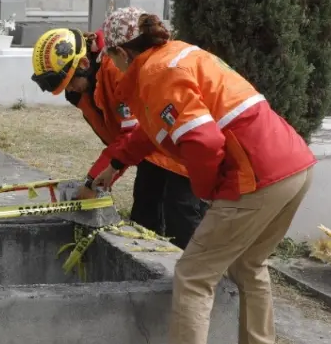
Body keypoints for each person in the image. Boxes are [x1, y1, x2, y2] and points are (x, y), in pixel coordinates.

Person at [87, 9, 315, 344]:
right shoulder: (177, 57)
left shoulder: (155, 74)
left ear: (119, 51)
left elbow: (203, 139)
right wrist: (111, 166)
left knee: (193, 275)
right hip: (294, 165)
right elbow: (148, 133)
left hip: (257, 176)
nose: (110, 65)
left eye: (110, 57)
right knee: (250, 262)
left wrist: (207, 189)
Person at [29, 23, 207, 248]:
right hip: (149, 149)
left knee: (182, 217)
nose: (70, 90)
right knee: (144, 214)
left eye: (70, 83)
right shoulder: (84, 87)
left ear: (83, 63)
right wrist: (108, 171)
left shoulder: (115, 69)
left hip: (177, 148)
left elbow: (130, 130)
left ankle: (202, 277)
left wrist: (93, 181)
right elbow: (121, 134)